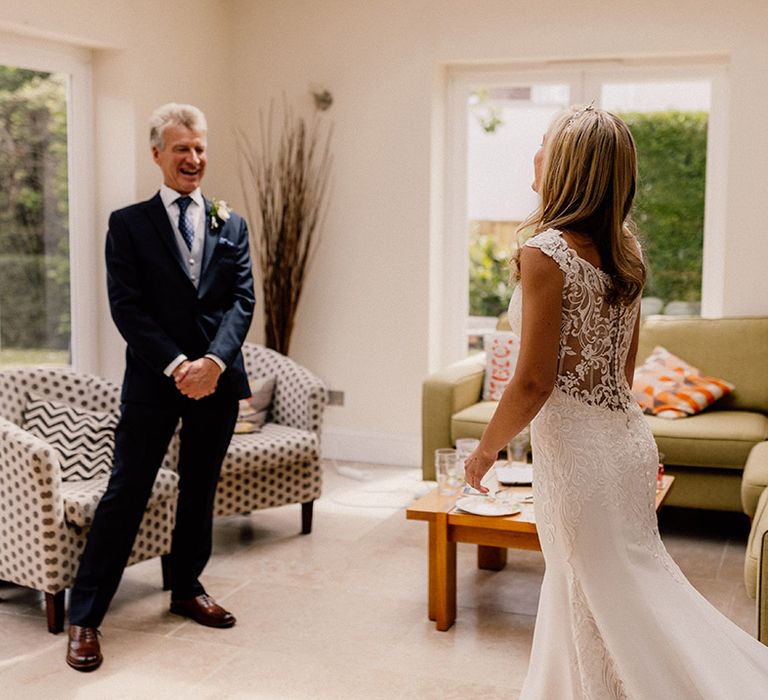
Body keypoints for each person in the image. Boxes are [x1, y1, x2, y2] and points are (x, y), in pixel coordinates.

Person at [463, 105, 768, 698]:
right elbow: (619, 374)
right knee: (613, 587)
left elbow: (533, 382)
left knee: (608, 595)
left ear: (569, 167)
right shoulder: (626, 250)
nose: (534, 156)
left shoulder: (545, 253)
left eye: (544, 145)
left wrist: (484, 452)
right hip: (625, 443)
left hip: (579, 458)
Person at [66, 103, 255, 672]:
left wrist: (215, 364)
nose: (193, 159)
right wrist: (178, 365)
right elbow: (126, 307)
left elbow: (241, 302)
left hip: (216, 383)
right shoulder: (127, 223)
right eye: (181, 149)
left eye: (199, 148)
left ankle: (186, 588)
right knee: (126, 492)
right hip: (154, 379)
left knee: (200, 489)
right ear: (157, 155)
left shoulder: (233, 224)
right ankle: (85, 617)